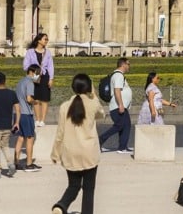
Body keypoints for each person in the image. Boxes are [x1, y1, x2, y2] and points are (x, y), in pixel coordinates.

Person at [50, 74, 105, 214]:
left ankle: (61, 205)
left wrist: (55, 153)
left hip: (70, 151)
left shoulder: (64, 106)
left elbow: (60, 133)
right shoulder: (93, 104)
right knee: (88, 188)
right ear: (88, 87)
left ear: (73, 88)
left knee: (73, 185)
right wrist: (94, 95)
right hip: (89, 152)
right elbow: (101, 114)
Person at [97, 57, 133, 153]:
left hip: (120, 106)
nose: (129, 66)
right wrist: (121, 104)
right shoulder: (118, 75)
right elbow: (117, 90)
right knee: (120, 125)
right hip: (118, 106)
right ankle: (100, 140)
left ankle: (122, 147)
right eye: (128, 64)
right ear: (123, 64)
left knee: (126, 125)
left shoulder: (118, 75)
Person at [21, 33, 54, 126]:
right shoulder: (30, 52)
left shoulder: (47, 52)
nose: (46, 41)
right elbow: (25, 65)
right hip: (34, 76)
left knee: (45, 99)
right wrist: (33, 69)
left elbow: (51, 66)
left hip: (45, 76)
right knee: (36, 98)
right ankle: (37, 119)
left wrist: (51, 78)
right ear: (39, 40)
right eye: (45, 39)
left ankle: (43, 120)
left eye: (47, 39)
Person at [14, 64, 40, 170]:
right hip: (26, 113)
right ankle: (29, 164)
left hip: (18, 113)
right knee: (30, 138)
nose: (39, 76)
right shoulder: (30, 82)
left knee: (20, 138)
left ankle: (16, 162)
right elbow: (29, 99)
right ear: (33, 72)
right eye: (39, 74)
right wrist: (35, 102)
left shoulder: (20, 82)